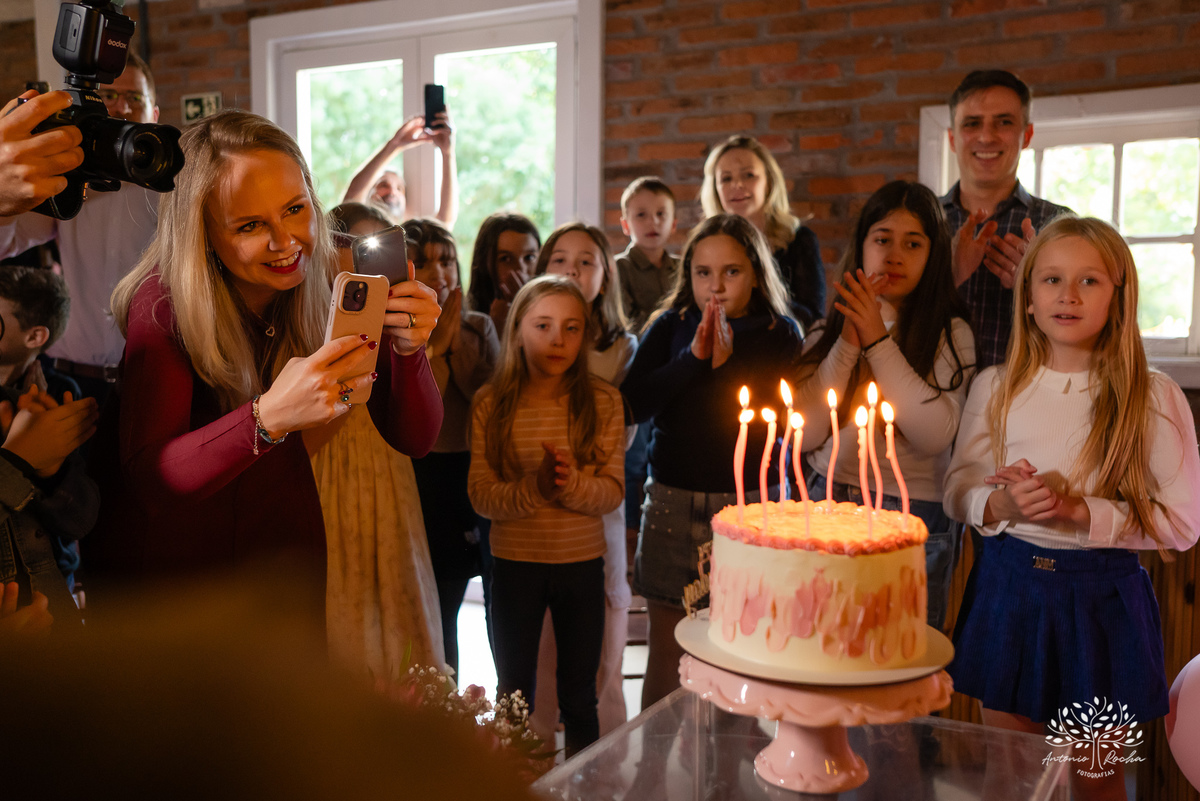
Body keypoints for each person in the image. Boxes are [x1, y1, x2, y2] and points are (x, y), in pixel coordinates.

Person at [90, 110, 442, 610]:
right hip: (173, 575)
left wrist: (409, 350)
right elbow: (152, 481)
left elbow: (415, 437)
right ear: (202, 232)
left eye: (296, 209)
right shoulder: (163, 303)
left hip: (282, 551)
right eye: (251, 225)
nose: (286, 242)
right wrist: (268, 418)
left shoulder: (337, 272)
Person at [943, 216, 1200, 798]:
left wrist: (1078, 513)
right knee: (1008, 776)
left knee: (1097, 784)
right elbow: (959, 489)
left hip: (1100, 603)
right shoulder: (995, 386)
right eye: (1052, 279)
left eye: (1090, 281)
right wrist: (1002, 501)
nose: (1068, 294)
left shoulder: (1152, 396)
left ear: (1118, 296)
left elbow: (1183, 523)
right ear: (1028, 298)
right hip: (1009, 592)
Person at [621, 213, 803, 710]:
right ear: (689, 276)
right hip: (672, 501)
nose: (716, 286)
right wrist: (693, 361)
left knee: (737, 648)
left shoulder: (778, 332)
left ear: (756, 273)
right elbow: (632, 402)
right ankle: (653, 773)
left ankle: (726, 773)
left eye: (731, 272)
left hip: (747, 506)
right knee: (667, 646)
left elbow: (779, 425)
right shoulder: (673, 326)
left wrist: (728, 368)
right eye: (703, 272)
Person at [793, 181, 975, 632]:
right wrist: (848, 344)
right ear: (862, 248)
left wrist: (876, 340)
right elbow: (805, 432)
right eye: (882, 240)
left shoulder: (951, 335)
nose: (894, 255)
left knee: (896, 656)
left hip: (912, 513)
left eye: (912, 244)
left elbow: (934, 434)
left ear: (933, 257)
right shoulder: (824, 331)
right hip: (826, 497)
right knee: (821, 645)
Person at [467, 275, 625, 757]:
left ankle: (585, 787)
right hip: (515, 568)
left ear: (586, 334)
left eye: (571, 327)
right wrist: (534, 488)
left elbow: (612, 492)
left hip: (580, 567)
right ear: (517, 330)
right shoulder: (491, 404)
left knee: (579, 695)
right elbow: (482, 496)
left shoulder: (603, 402)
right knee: (514, 693)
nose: (558, 339)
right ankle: (512, 784)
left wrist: (569, 483)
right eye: (543, 325)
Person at [305, 204, 446, 677]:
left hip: (387, 468)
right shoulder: (301, 316)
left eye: (375, 250)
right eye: (348, 248)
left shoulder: (400, 326)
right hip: (319, 468)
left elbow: (420, 430)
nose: (363, 264)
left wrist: (411, 347)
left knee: (395, 587)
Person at [0, 53, 163, 405]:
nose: (122, 108)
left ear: (154, 115)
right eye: (109, 97)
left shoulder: (179, 193)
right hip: (69, 379)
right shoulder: (66, 183)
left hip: (154, 382)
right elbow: (6, 242)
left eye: (135, 98)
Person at [531, 223, 636, 740]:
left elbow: (619, 449)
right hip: (531, 520)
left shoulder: (621, 350)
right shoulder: (524, 343)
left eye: (586, 261)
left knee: (598, 649)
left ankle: (603, 769)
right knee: (540, 652)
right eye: (559, 259)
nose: (572, 269)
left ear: (605, 276)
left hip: (597, 512)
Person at [404, 217, 500, 678]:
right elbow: (430, 408)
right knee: (439, 604)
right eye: (422, 263)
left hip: (472, 469)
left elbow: (486, 397)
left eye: (446, 260)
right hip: (423, 473)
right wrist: (433, 349)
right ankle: (446, 697)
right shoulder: (400, 333)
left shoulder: (479, 328)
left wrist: (452, 340)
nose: (438, 272)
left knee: (485, 593)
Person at [942, 69, 1071, 370]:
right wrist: (944, 277)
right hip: (924, 407)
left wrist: (1040, 287)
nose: (986, 137)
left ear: (1027, 135)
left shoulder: (1060, 226)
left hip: (1025, 406)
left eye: (1004, 122)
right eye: (972, 124)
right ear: (951, 138)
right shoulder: (916, 224)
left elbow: (1091, 335)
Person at [0, 383, 99, 630]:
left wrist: (54, 472)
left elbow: (82, 521)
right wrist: (16, 460)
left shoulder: (12, 404)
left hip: (56, 623)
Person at [700, 135, 824, 330]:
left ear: (769, 182)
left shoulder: (800, 239)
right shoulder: (704, 246)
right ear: (715, 189)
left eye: (748, 175)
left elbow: (813, 317)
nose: (737, 185)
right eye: (726, 178)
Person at [343, 112, 458, 227]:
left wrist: (447, 152)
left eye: (399, 189)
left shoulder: (410, 239)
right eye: (383, 185)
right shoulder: (358, 231)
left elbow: (443, 223)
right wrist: (394, 145)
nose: (392, 192)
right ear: (367, 194)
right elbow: (351, 199)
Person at [0, 90, 83, 217]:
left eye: (126, 96)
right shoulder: (43, 169)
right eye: (108, 96)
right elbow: (19, 234)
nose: (122, 107)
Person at [617, 177, 678, 331]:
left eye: (661, 213)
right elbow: (627, 323)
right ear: (625, 225)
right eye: (641, 215)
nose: (653, 221)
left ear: (673, 224)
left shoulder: (684, 267)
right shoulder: (618, 269)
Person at [466, 212, 541, 335]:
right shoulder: (469, 320)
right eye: (506, 259)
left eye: (529, 257)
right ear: (484, 263)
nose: (520, 268)